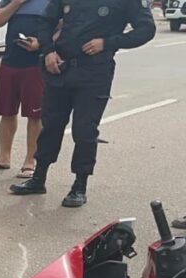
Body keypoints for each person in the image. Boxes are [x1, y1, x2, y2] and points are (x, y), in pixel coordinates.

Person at [10, 0, 155, 207]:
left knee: (84, 131)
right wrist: (48, 51)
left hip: (95, 73)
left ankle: (79, 186)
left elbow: (146, 30)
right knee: (51, 126)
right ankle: (38, 178)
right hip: (60, 68)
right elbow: (46, 21)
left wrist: (108, 43)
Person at [0, 0, 47, 179]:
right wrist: (17, 3)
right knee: (6, 112)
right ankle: (4, 158)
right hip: (10, 62)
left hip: (36, 64)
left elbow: (63, 27)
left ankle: (30, 162)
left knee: (35, 115)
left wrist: (41, 43)